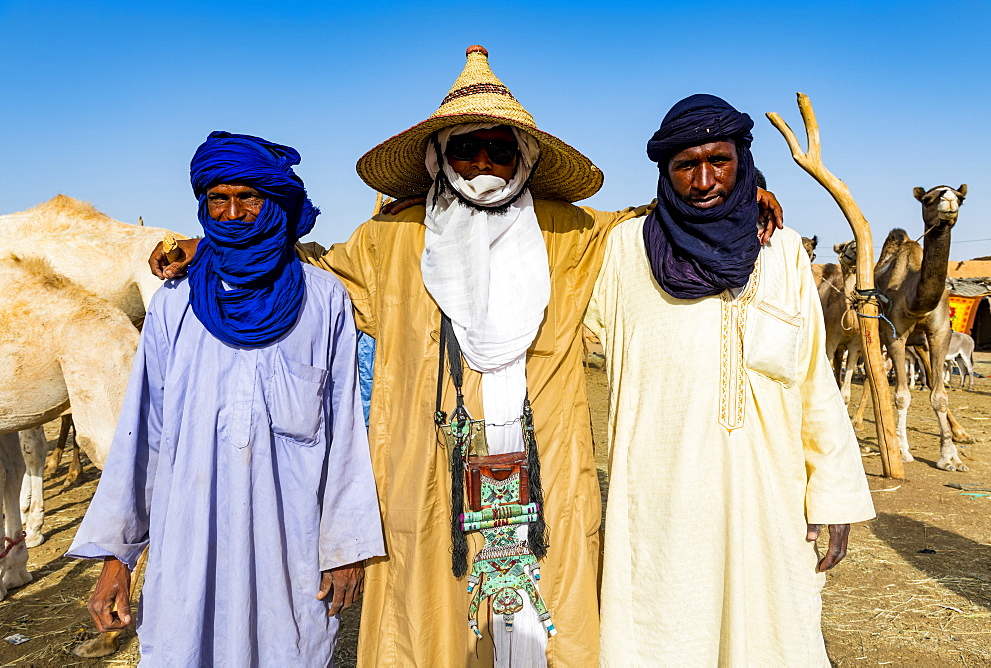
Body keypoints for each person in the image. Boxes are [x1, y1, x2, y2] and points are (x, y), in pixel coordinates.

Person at [150, 49, 782, 667]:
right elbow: (299, 269)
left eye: (500, 148)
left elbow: (664, 220)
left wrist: (742, 197)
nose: (484, 161)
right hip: (429, 477)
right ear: (438, 158)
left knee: (545, 629)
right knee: (431, 628)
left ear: (524, 157)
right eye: (465, 147)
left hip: (545, 475)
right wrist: (206, 249)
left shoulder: (573, 232)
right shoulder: (389, 240)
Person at [68, 132, 384, 666]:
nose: (233, 213)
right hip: (190, 541)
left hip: (290, 547)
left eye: (248, 197)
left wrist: (344, 549)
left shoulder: (323, 299)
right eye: (219, 198)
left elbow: (346, 434)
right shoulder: (175, 303)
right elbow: (142, 435)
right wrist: (117, 561)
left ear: (275, 201)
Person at [585, 94, 876, 666]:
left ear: (743, 158)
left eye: (719, 159)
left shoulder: (786, 253)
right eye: (684, 165)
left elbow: (814, 380)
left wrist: (834, 497)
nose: (703, 180)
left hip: (767, 499)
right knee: (662, 634)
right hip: (660, 501)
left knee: (771, 635)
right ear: (664, 175)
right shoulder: (624, 251)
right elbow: (551, 238)